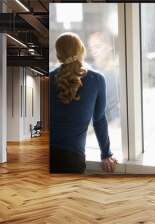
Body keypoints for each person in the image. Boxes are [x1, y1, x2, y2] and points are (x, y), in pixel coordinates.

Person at [49, 32, 118, 173]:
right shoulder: (97, 80)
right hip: (73, 160)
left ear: (58, 56)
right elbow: (99, 120)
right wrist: (106, 154)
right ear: (82, 51)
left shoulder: (47, 79)